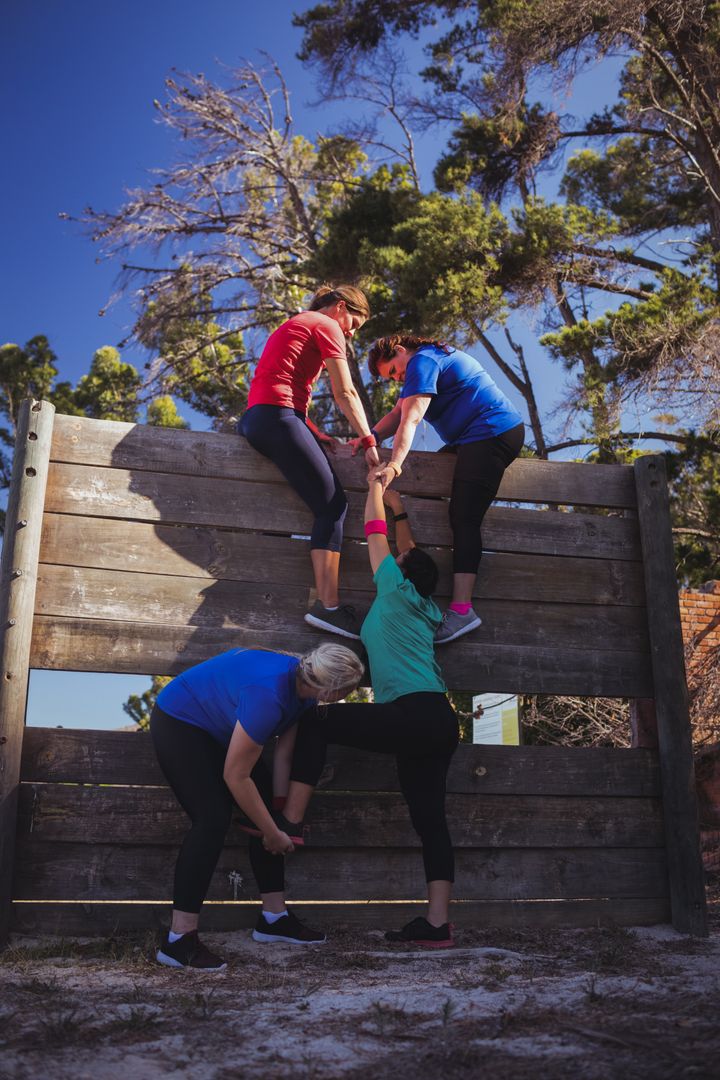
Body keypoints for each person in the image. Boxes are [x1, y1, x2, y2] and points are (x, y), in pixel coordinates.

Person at [281, 471, 460, 948]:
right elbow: (409, 548)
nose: (394, 557)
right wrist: (401, 508)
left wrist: (377, 487)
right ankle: (438, 924)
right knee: (431, 822)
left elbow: (375, 532)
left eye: (399, 561)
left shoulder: (394, 589)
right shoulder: (424, 605)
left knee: (317, 720)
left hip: (411, 713)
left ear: (401, 572)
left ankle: (291, 823)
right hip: (439, 720)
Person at [150, 642, 364, 970]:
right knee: (212, 819)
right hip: (182, 720)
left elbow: (284, 755)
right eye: (346, 691)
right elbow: (236, 776)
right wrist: (272, 834)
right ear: (329, 688)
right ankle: (179, 940)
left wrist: (278, 812)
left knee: (265, 812)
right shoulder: (269, 695)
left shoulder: (303, 688)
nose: (346, 698)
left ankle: (274, 919)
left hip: (222, 729)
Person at [359, 334, 525, 644]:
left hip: (492, 431)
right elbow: (396, 414)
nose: (397, 379)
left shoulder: (423, 360)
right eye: (391, 378)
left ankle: (462, 610)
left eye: (394, 371)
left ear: (399, 351)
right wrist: (367, 439)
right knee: (425, 491)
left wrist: (394, 464)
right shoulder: (424, 361)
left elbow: (411, 418)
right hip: (471, 440)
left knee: (464, 517)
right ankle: (417, 579)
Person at [240, 285, 380, 640]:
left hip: (258, 419)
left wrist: (313, 430)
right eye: (354, 323)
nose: (350, 333)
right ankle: (328, 609)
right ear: (339, 307)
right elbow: (344, 392)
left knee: (312, 501)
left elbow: (276, 383)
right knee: (332, 507)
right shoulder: (326, 325)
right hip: (278, 417)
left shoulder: (297, 323)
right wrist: (368, 439)